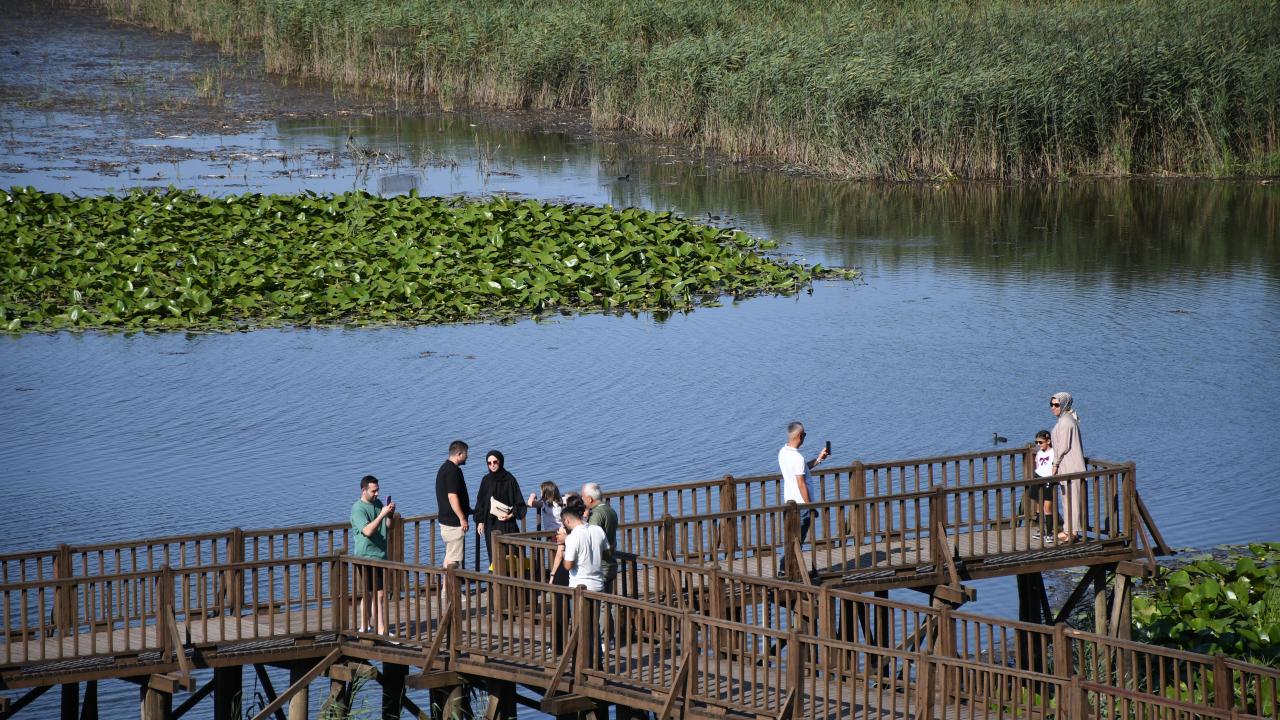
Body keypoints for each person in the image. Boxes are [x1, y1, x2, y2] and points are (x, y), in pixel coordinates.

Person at [777, 421, 830, 578]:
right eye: (805, 434)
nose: (805, 437)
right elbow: (801, 483)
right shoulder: (797, 458)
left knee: (790, 538)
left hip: (789, 504)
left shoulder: (783, 452)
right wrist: (810, 506)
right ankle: (788, 570)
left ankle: (784, 569)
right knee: (798, 539)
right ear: (800, 436)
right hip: (801, 506)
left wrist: (818, 459)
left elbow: (801, 470)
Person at [350, 475, 395, 635]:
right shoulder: (358, 509)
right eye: (373, 491)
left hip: (380, 555)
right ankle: (379, 629)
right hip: (366, 556)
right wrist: (382, 514)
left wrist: (389, 515)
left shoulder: (378, 503)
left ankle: (366, 626)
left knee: (373, 594)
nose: (377, 493)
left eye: (378, 490)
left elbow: (388, 526)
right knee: (376, 594)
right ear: (364, 490)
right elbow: (367, 531)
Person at [475, 450, 526, 573]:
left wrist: (511, 515)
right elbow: (480, 503)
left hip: (508, 524)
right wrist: (480, 521)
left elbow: (520, 504)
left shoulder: (509, 479)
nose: (492, 465)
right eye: (489, 463)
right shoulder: (486, 480)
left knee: (512, 554)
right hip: (491, 525)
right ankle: (496, 583)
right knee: (494, 556)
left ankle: (513, 582)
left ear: (500, 461)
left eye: (495, 462)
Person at [1050, 392, 1086, 543]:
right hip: (1066, 466)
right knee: (1066, 499)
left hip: (1071, 466)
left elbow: (1063, 446)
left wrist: (1055, 464)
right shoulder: (1064, 419)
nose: (1053, 407)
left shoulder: (1066, 422)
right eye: (1051, 404)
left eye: (1056, 405)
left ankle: (1073, 532)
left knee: (1073, 499)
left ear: (1064, 405)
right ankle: (1067, 529)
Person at [559, 499, 612, 592]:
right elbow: (608, 555)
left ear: (567, 521)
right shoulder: (598, 530)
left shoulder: (572, 537)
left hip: (579, 588)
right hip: (598, 585)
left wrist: (564, 555)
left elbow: (568, 566)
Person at [435, 440, 472, 568]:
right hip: (453, 523)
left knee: (449, 555)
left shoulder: (444, 468)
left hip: (445, 520)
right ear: (459, 454)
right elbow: (452, 496)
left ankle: (445, 582)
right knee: (454, 560)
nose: (467, 456)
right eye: (466, 454)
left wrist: (467, 509)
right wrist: (462, 518)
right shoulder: (453, 471)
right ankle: (450, 582)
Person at [582, 483, 618, 592]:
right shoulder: (610, 510)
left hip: (600, 566)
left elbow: (592, 539)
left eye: (583, 497)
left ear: (590, 499)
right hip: (610, 562)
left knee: (599, 600)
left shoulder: (596, 515)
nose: (582, 499)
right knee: (607, 598)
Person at [1028, 431, 1057, 541]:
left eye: (1040, 442)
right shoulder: (1039, 452)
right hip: (1038, 477)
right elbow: (1037, 465)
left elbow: (1055, 466)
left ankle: (1049, 533)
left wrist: (1052, 476)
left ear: (1048, 441)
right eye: (1036, 442)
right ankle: (1041, 531)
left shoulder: (1053, 452)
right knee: (1038, 505)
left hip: (1048, 479)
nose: (1038, 444)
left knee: (1047, 507)